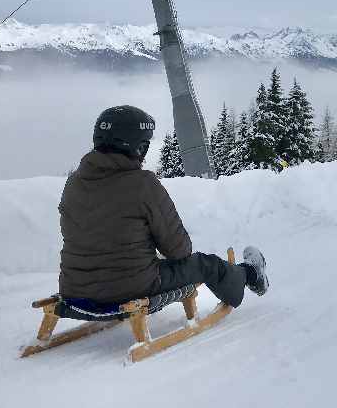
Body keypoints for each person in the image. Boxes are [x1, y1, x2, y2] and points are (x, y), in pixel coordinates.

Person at [58, 105, 268, 307]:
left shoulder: (74, 182)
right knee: (205, 264)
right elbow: (179, 250)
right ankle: (251, 275)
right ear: (136, 146)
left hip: (74, 288)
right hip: (129, 288)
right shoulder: (143, 184)